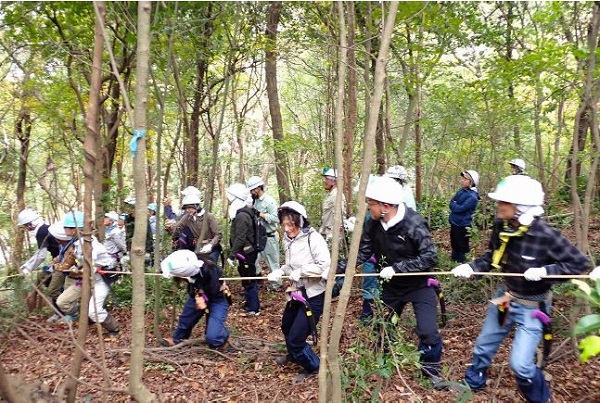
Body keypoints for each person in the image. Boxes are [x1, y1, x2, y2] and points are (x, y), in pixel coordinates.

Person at [451, 175, 589, 402]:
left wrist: (546, 271)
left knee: (521, 365)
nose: (498, 206)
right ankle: (474, 381)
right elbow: (492, 257)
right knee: (485, 343)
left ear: (520, 207)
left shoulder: (545, 235)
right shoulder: (502, 227)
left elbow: (579, 265)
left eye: (503, 202)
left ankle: (539, 398)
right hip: (506, 298)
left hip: (532, 307)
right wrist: (471, 267)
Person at [354, 175, 443, 386]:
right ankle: (382, 364)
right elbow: (363, 252)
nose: (368, 208)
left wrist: (397, 268)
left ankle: (431, 371)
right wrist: (333, 269)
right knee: (383, 327)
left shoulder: (413, 223)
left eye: (371, 204)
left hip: (419, 285)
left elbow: (430, 256)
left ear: (385, 206)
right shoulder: (373, 224)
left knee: (428, 331)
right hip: (391, 289)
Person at [267, 201, 330, 383]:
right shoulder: (288, 240)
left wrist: (302, 272)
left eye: (291, 224)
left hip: (314, 294)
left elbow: (325, 266)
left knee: (297, 338)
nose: (287, 228)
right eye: (284, 224)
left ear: (300, 222)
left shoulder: (314, 238)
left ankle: (313, 366)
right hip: (297, 292)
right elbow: (290, 265)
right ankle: (294, 355)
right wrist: (280, 271)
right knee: (287, 325)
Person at [160, 250, 232, 350]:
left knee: (212, 337)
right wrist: (197, 294)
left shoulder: (210, 270)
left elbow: (214, 288)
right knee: (186, 319)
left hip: (217, 298)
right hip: (198, 295)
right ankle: (178, 339)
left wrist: (203, 299)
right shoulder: (187, 263)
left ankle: (221, 336)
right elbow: (191, 285)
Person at [226, 183, 260, 316]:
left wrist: (231, 255)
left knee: (249, 278)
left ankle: (253, 308)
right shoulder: (242, 212)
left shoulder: (242, 216)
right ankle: (250, 303)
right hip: (245, 252)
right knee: (246, 276)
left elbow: (240, 238)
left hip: (247, 253)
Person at [246, 176, 280, 286]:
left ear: (258, 188)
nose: (251, 192)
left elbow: (277, 218)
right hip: (258, 237)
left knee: (272, 263)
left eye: (252, 190)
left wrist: (262, 215)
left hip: (269, 236)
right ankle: (258, 280)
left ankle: (277, 285)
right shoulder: (254, 201)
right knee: (254, 260)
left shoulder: (269, 201)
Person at [171, 191, 222, 263]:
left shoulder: (209, 216)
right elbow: (178, 228)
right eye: (186, 208)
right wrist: (174, 240)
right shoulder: (187, 217)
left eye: (190, 207)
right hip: (198, 248)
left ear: (197, 206)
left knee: (210, 268)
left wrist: (210, 245)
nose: (187, 210)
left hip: (212, 248)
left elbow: (218, 234)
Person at [17, 208, 60, 275]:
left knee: (49, 281)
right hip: (58, 258)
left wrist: (28, 270)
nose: (26, 228)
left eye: (25, 225)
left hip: (62, 259)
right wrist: (27, 264)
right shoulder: (44, 228)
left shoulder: (40, 232)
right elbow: (39, 251)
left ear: (31, 223)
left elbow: (41, 256)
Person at [449, 169, 480, 263]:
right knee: (454, 244)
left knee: (461, 247)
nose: (462, 180)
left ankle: (461, 264)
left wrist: (455, 204)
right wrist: (454, 204)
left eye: (465, 179)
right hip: (454, 222)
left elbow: (458, 208)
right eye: (463, 178)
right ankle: (453, 262)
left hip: (462, 225)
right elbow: (451, 203)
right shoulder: (462, 191)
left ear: (471, 182)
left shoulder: (473, 197)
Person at [319, 168, 346, 247]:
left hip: (332, 235)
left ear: (333, 182)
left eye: (327, 179)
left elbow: (339, 218)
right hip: (326, 232)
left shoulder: (337, 196)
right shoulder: (330, 195)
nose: (325, 181)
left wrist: (335, 236)